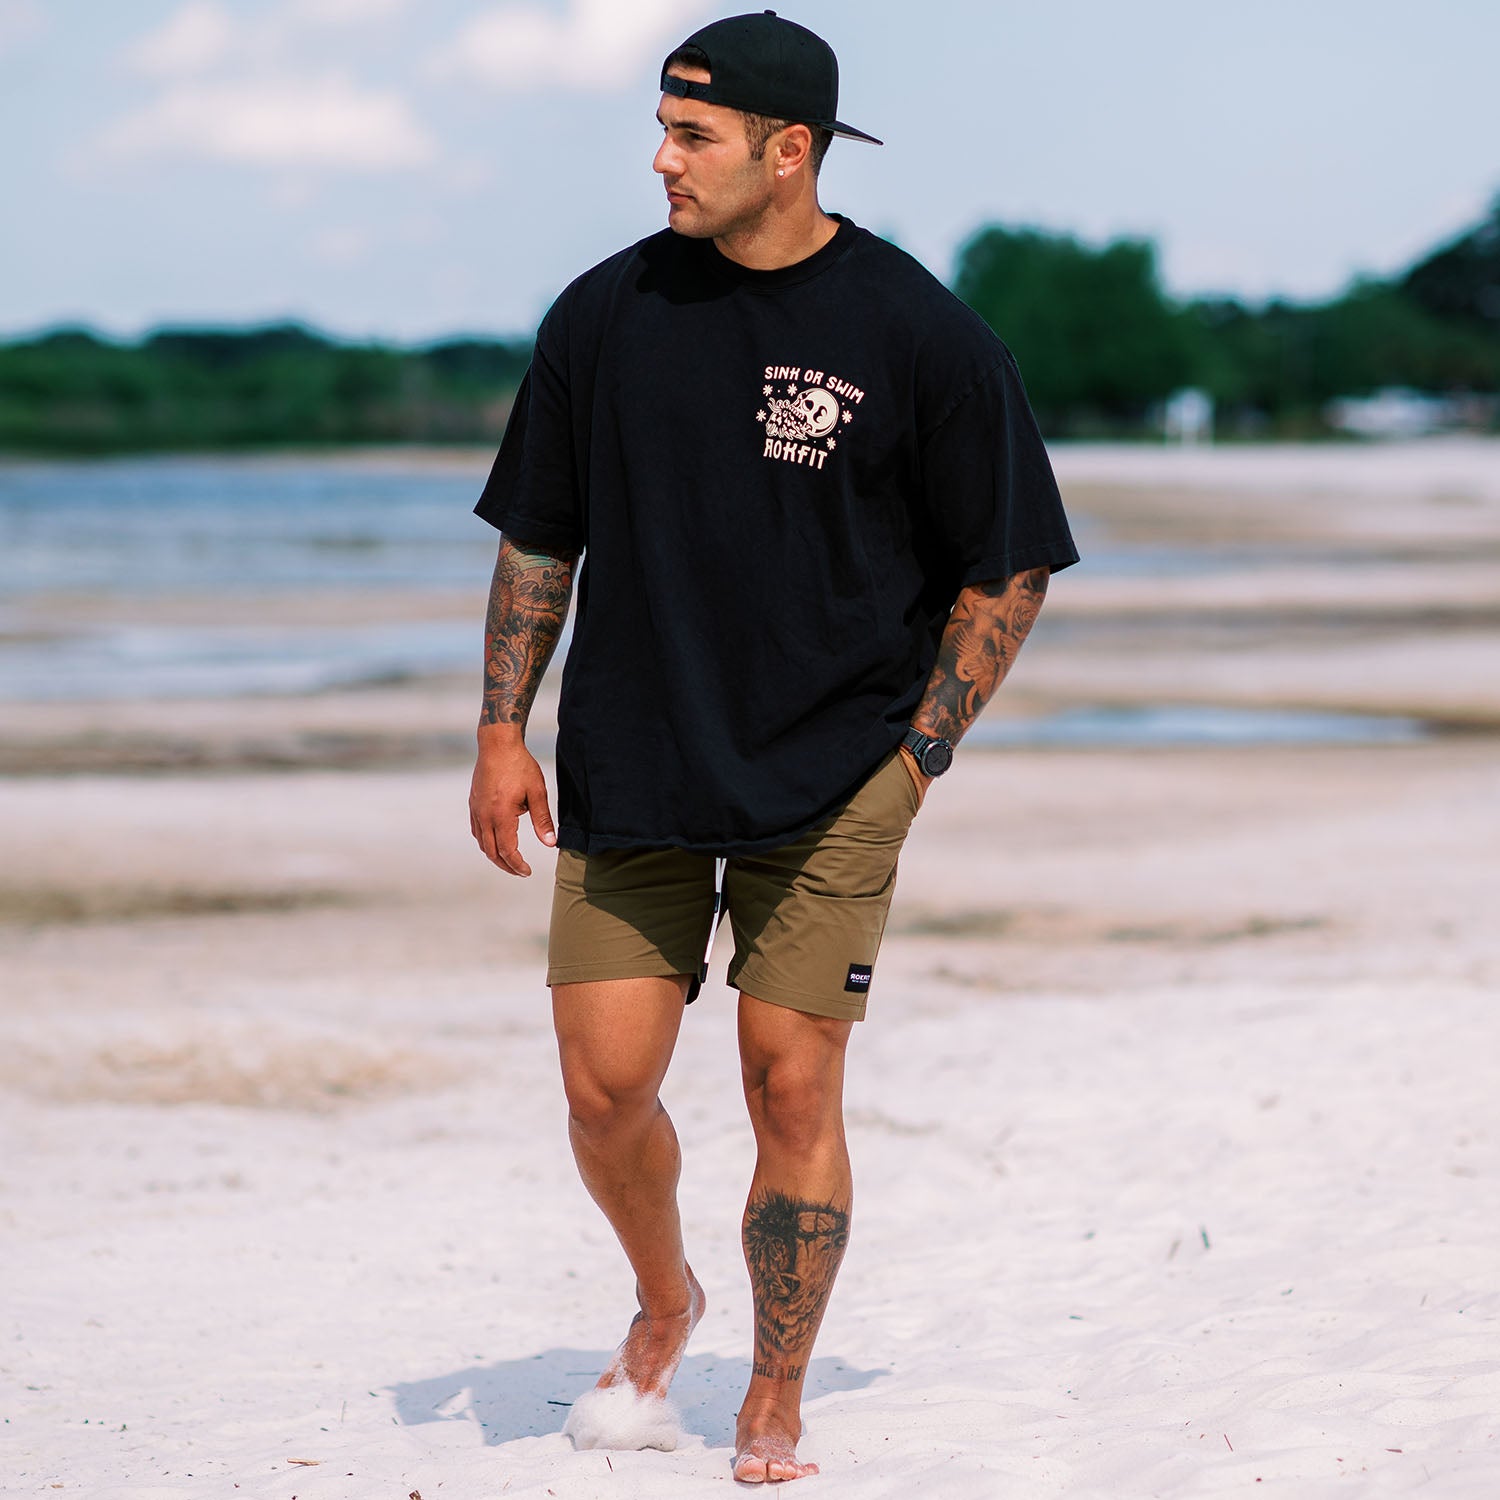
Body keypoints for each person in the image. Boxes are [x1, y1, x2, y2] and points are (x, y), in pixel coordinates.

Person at [468, 10, 1078, 1484]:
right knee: (605, 1087)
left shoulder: (918, 332)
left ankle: (774, 1391)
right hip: (635, 759)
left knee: (789, 1083)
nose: (663, 162)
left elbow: (1009, 565)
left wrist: (918, 758)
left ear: (788, 150)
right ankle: (665, 1299)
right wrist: (499, 728)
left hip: (837, 773)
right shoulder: (603, 314)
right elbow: (542, 536)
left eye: (694, 137)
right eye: (661, 131)